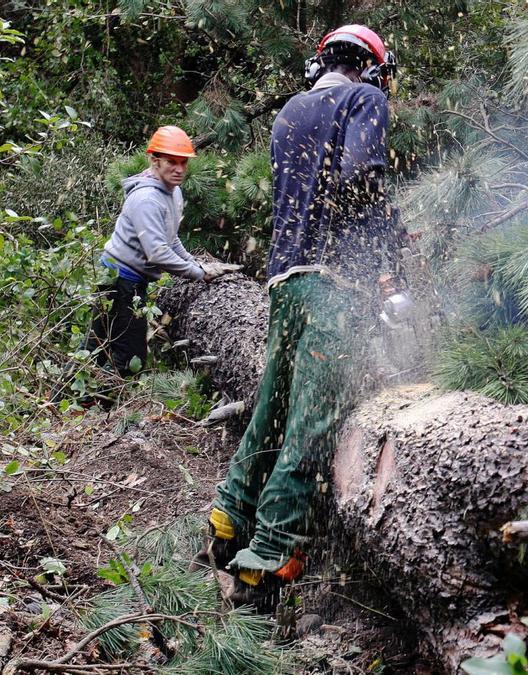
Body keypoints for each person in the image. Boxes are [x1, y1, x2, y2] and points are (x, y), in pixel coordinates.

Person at [195, 24, 401, 609]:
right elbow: (359, 177)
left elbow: (306, 190)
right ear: (371, 67)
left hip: (284, 279)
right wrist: (384, 258)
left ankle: (228, 516)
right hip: (333, 283)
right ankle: (267, 561)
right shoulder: (367, 99)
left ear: (323, 62)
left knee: (271, 405)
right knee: (311, 423)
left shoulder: (290, 110)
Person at [89, 125, 239, 376]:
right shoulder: (147, 199)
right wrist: (198, 273)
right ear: (155, 160)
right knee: (127, 354)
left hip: (129, 279)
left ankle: (75, 399)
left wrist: (195, 262)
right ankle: (95, 406)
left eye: (183, 163)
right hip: (120, 281)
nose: (179, 169)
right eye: (172, 162)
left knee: (98, 342)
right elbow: (157, 253)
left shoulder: (173, 192)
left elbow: (170, 238)